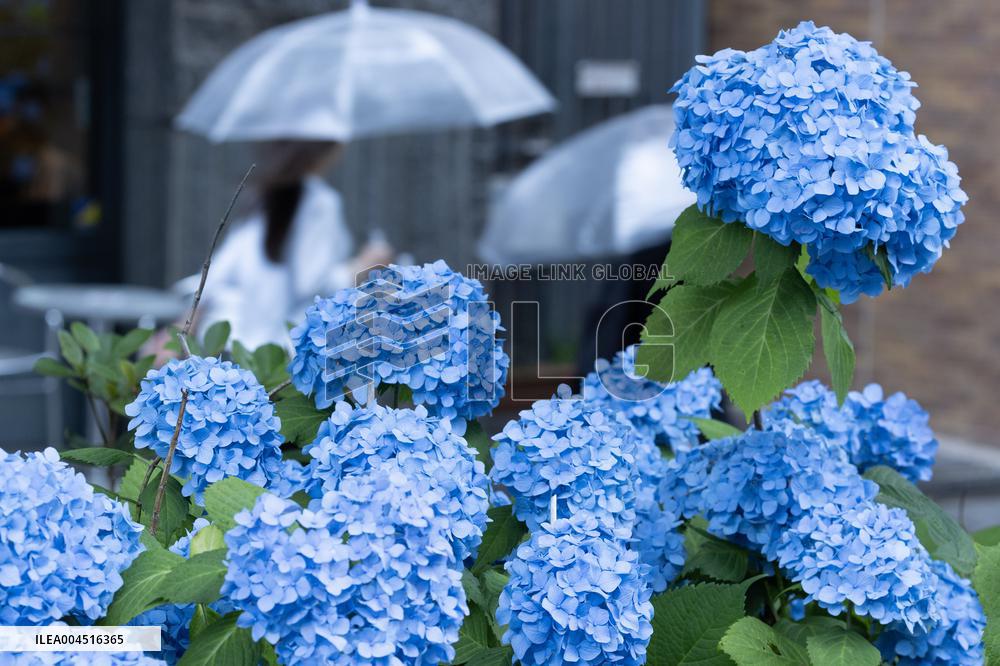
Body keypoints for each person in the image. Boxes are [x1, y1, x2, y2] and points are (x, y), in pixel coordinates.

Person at [186, 140, 393, 350]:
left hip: (242, 352)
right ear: (331, 147)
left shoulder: (263, 197)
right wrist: (364, 266)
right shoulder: (320, 202)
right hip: (294, 353)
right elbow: (311, 285)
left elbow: (215, 275)